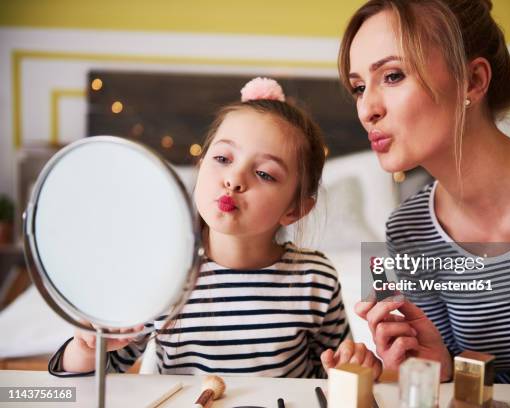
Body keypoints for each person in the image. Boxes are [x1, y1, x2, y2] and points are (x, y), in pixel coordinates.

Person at [338, 0, 510, 384]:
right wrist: (437, 365)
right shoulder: (408, 230)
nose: (367, 109)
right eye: (358, 87)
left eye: (393, 75)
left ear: (473, 81)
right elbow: (454, 377)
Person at [48, 77, 382, 379]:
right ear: (202, 164)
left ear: (294, 209)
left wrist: (356, 366)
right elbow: (98, 375)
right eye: (223, 159)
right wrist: (85, 350)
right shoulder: (162, 274)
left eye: (264, 174)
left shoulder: (315, 277)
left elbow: (336, 375)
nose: (234, 179)